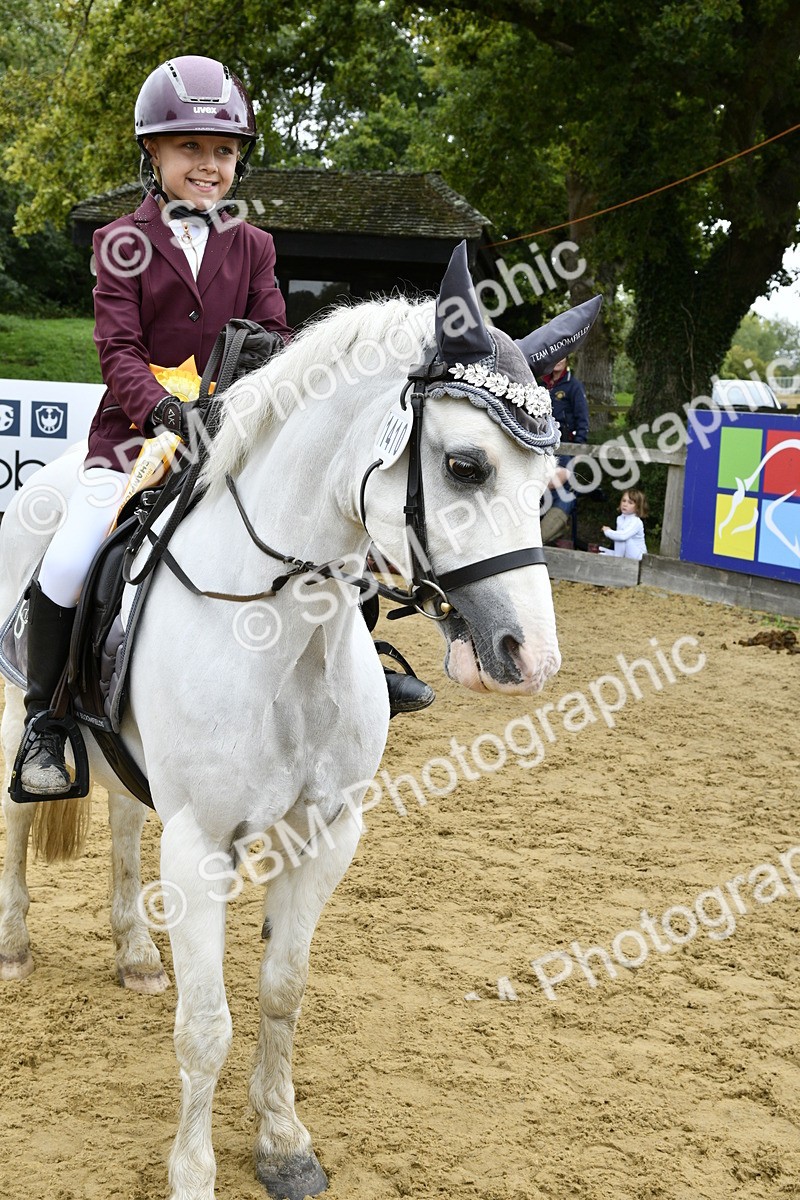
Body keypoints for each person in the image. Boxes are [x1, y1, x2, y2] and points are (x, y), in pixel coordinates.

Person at [18, 55, 430, 798]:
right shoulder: (121, 240)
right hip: (136, 441)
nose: (208, 166)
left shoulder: (255, 245)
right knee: (71, 559)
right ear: (153, 152)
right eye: (190, 149)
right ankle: (46, 722)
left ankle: (362, 670)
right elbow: (118, 349)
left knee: (335, 536)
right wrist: (162, 409)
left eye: (224, 152)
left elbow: (274, 335)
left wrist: (294, 371)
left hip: (232, 440)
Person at [539, 356, 590, 544]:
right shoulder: (541, 385)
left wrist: (575, 455)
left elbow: (583, 421)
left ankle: (542, 538)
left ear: (568, 359)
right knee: (536, 486)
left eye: (563, 357)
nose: (558, 361)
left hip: (565, 449)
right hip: (541, 448)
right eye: (555, 358)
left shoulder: (573, 386)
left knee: (559, 486)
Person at [599, 489, 648, 559]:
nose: (625, 504)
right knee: (604, 550)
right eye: (624, 501)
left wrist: (608, 531)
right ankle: (612, 555)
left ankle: (617, 559)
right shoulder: (620, 519)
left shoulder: (636, 521)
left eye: (630, 503)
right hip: (626, 554)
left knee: (622, 537)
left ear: (637, 508)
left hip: (639, 556)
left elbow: (623, 536)